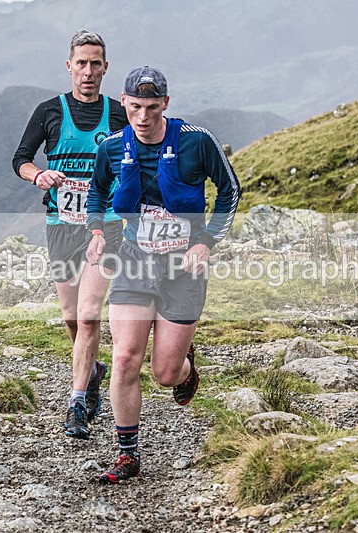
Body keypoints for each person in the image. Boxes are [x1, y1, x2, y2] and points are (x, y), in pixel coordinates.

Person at [85, 66, 240, 483]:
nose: (143, 116)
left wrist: (205, 240)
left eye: (152, 107)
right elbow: (98, 191)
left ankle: (185, 365)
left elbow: (230, 191)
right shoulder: (113, 147)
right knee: (123, 358)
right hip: (135, 258)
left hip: (183, 266)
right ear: (124, 103)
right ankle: (127, 453)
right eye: (135, 107)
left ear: (166, 104)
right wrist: (97, 230)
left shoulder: (197, 141)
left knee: (165, 374)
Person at [12, 30, 128, 440]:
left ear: (105, 68)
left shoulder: (118, 114)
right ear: (69, 66)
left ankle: (77, 401)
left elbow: (140, 155)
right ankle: (94, 367)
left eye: (96, 63)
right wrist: (39, 175)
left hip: (106, 224)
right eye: (82, 63)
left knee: (90, 311)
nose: (89, 71)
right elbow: (21, 159)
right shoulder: (49, 111)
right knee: (71, 317)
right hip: (61, 225)